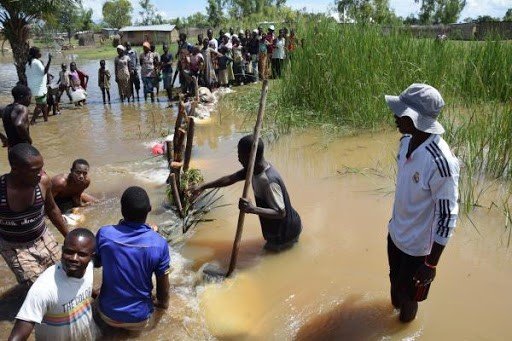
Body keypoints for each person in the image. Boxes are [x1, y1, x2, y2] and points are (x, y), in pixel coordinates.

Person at [385, 84, 460, 322]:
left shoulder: (441, 162)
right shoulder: (405, 143)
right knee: (394, 286)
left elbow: (447, 216)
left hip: (419, 250)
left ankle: (403, 330)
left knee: (408, 299)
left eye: (401, 113)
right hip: (396, 235)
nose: (396, 117)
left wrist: (431, 264)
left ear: (415, 118)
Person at [190, 135, 302, 251]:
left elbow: (280, 212)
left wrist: (251, 209)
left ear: (249, 156)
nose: (238, 158)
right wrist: (203, 187)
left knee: (269, 257)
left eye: (239, 154)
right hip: (279, 228)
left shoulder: (268, 181)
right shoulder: (253, 169)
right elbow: (231, 178)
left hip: (285, 232)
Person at [95, 186, 170, 330]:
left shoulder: (105, 234)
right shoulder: (159, 243)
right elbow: (163, 290)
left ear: (122, 210)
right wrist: (163, 305)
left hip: (107, 314)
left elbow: (96, 262)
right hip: (139, 318)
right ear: (149, 209)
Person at [8, 228, 98, 341]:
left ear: (91, 256)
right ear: (62, 250)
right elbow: (17, 336)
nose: (74, 258)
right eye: (69, 252)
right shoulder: (44, 289)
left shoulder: (89, 267)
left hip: (87, 334)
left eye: (82, 254)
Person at [0, 143, 69, 286]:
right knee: (38, 287)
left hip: (43, 237)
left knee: (64, 275)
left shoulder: (43, 182)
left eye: (41, 168)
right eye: (35, 170)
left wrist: (68, 237)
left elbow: (52, 209)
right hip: (14, 247)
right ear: (15, 169)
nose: (41, 173)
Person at [26, 46, 51, 124]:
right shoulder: (37, 62)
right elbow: (44, 71)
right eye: (39, 52)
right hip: (39, 88)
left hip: (33, 87)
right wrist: (49, 60)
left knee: (44, 105)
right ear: (36, 54)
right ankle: (32, 121)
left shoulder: (28, 63)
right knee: (39, 106)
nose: (40, 53)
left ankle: (46, 120)